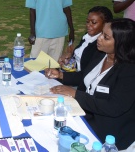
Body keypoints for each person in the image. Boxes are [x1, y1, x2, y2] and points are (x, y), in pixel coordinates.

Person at [45, 18, 135, 150]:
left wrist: (76, 94)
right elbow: (86, 75)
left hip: (107, 130)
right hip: (85, 112)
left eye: (106, 37)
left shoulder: (129, 70)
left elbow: (113, 107)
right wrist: (61, 75)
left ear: (122, 43)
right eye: (101, 34)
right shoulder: (101, 54)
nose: (99, 38)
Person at [58, 6, 113, 72]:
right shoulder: (87, 37)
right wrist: (69, 59)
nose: (88, 25)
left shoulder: (100, 46)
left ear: (105, 25)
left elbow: (85, 72)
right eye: (87, 21)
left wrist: (61, 75)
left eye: (94, 22)